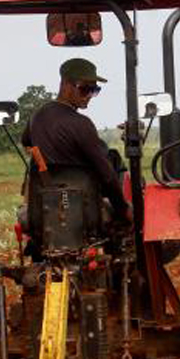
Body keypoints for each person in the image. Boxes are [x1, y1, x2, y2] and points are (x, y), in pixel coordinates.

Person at [20, 58, 133, 240]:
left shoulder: (37, 116)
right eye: (85, 88)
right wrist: (123, 209)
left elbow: (27, 143)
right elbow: (108, 176)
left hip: (46, 209)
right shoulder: (82, 124)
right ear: (65, 84)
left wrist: (42, 165)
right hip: (83, 211)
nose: (89, 95)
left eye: (95, 90)